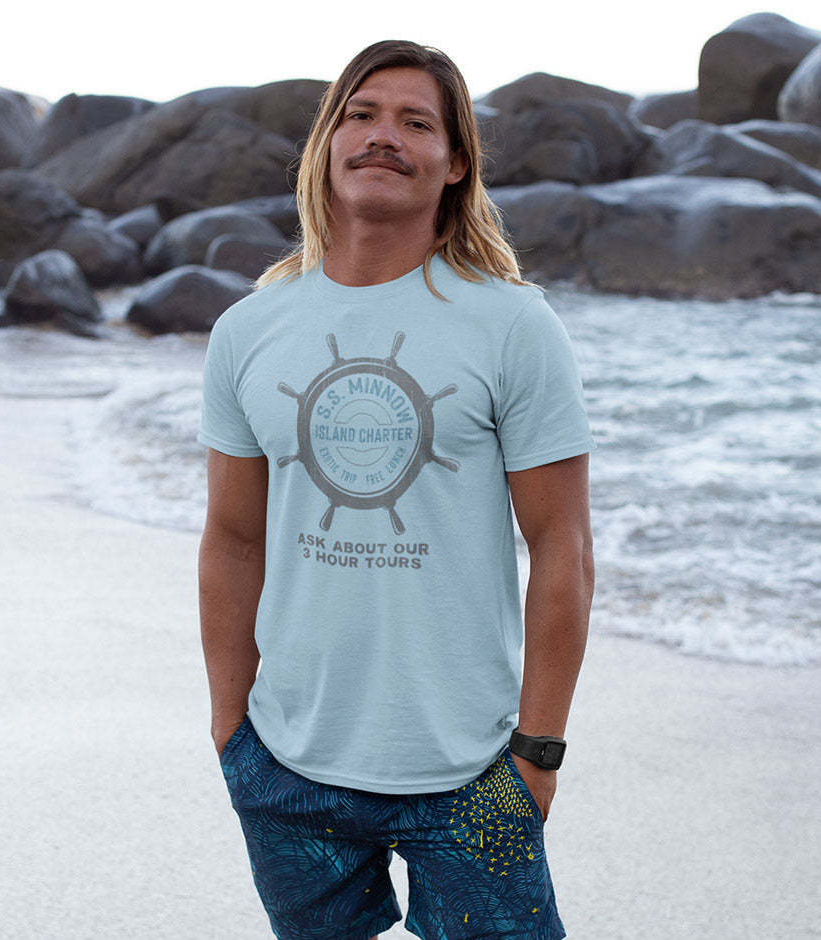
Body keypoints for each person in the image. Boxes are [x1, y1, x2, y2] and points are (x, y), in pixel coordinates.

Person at [198, 39, 595, 940]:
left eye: (417, 122)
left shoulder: (512, 325)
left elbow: (563, 545)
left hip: (472, 770)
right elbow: (232, 537)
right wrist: (232, 731)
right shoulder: (247, 329)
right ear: (327, 144)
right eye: (362, 114)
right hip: (287, 763)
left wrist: (537, 751)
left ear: (455, 165)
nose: (385, 137)